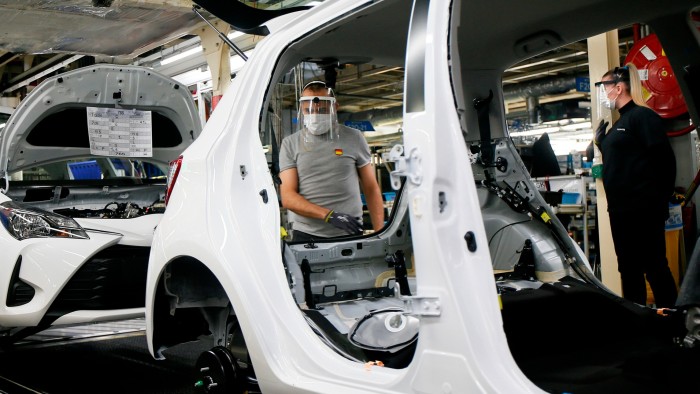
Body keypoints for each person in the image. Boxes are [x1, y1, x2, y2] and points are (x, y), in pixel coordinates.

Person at [594, 64, 678, 307]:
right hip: (620, 211)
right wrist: (602, 143)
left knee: (655, 267)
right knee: (629, 270)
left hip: (643, 209)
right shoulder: (619, 123)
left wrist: (659, 203)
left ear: (618, 88)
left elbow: (665, 162)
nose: (602, 93)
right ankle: (639, 325)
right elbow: (623, 161)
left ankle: (673, 323)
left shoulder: (642, 117)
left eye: (604, 87)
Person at [279, 80, 384, 242]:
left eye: (321, 110)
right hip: (307, 234)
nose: (315, 115)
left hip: (351, 230)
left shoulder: (354, 138)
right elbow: (288, 197)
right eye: (309, 110)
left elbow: (371, 188)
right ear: (301, 109)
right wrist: (328, 215)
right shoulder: (290, 143)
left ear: (334, 107)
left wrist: (380, 233)